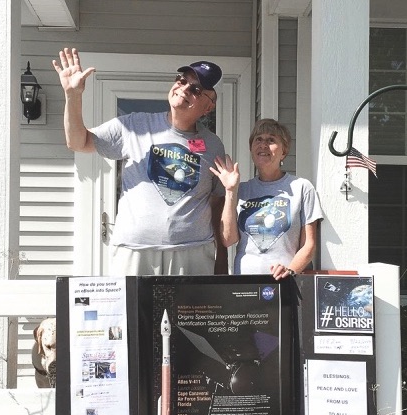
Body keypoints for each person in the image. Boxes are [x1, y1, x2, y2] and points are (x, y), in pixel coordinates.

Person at [52, 48, 227, 275]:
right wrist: (73, 96)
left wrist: (221, 260)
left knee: (189, 313)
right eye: (182, 80)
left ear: (208, 107)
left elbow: (216, 204)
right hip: (134, 251)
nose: (183, 89)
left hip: (191, 252)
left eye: (195, 89)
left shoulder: (213, 145)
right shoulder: (134, 126)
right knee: (131, 312)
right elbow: (78, 142)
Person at [212, 119, 323, 280]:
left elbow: (309, 245)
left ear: (284, 151)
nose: (263, 145)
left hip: (283, 283)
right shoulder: (242, 190)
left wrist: (290, 271)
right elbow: (228, 239)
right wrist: (230, 191)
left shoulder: (302, 188)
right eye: (258, 139)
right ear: (251, 148)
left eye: (271, 140)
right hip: (244, 284)